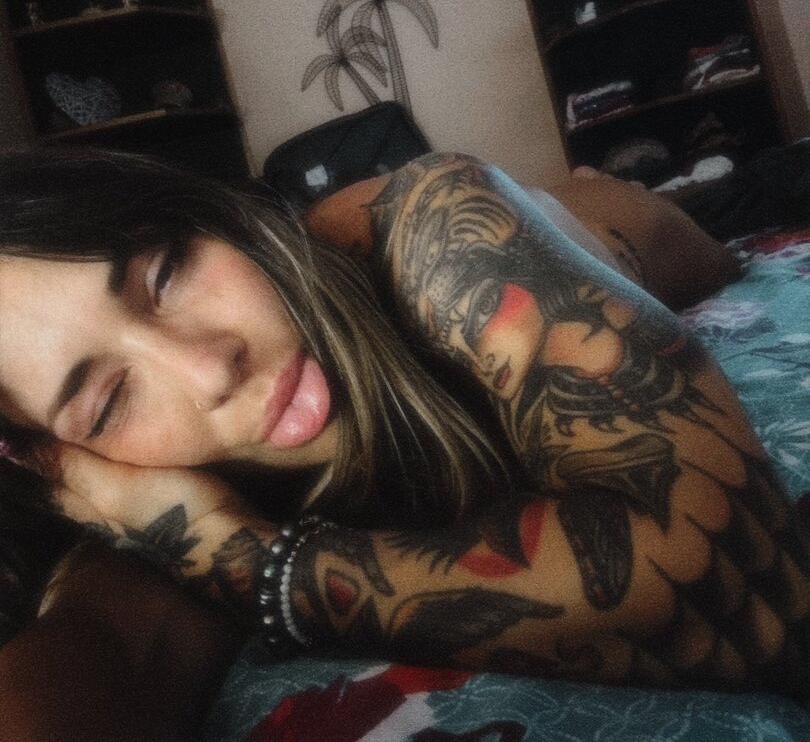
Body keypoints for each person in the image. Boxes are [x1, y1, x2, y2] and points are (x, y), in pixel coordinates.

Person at [0, 146, 806, 740]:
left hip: (641, 230)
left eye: (166, 272)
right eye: (108, 402)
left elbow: (759, 592)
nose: (209, 367)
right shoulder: (146, 485)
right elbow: (103, 658)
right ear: (58, 454)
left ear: (210, 214)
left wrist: (257, 561)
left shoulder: (434, 224)